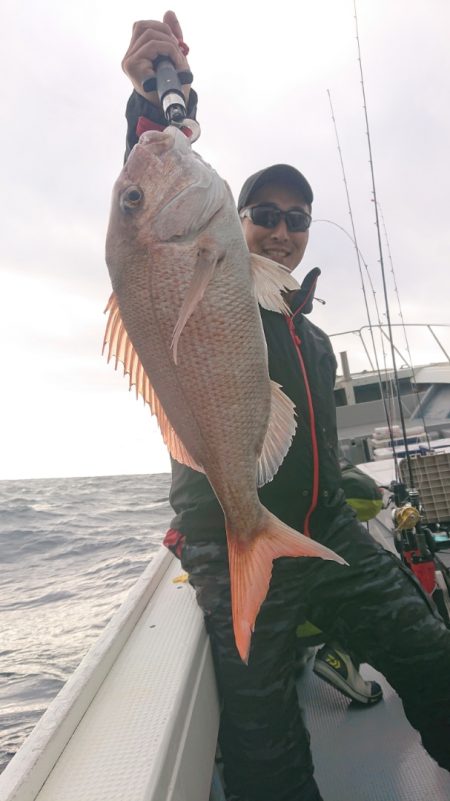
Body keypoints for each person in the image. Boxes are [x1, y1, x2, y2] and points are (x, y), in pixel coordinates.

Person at [121, 13, 450, 801]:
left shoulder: (316, 340)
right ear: (232, 227)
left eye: (294, 219)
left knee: (434, 654)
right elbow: (150, 240)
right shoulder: (220, 287)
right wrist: (151, 103)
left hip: (323, 531)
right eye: (262, 214)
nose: (278, 229)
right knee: (264, 742)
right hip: (228, 542)